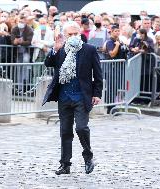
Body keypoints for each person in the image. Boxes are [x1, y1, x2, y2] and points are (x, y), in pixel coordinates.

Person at [42, 21, 103, 175]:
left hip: (81, 96)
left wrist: (97, 93)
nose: (74, 37)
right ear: (65, 35)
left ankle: (88, 157)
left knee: (81, 128)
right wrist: (54, 50)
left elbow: (98, 73)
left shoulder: (88, 49)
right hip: (64, 96)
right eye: (70, 34)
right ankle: (65, 164)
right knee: (65, 131)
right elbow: (48, 63)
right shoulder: (60, 49)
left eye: (76, 34)